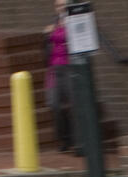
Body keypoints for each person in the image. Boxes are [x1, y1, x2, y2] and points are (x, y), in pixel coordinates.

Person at [44, 0, 73, 153]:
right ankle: (64, 139)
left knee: (73, 105)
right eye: (58, 5)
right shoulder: (53, 23)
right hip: (54, 69)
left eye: (64, 4)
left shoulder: (73, 21)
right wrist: (47, 34)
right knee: (55, 105)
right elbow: (46, 46)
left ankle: (78, 141)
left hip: (69, 67)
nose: (61, 8)